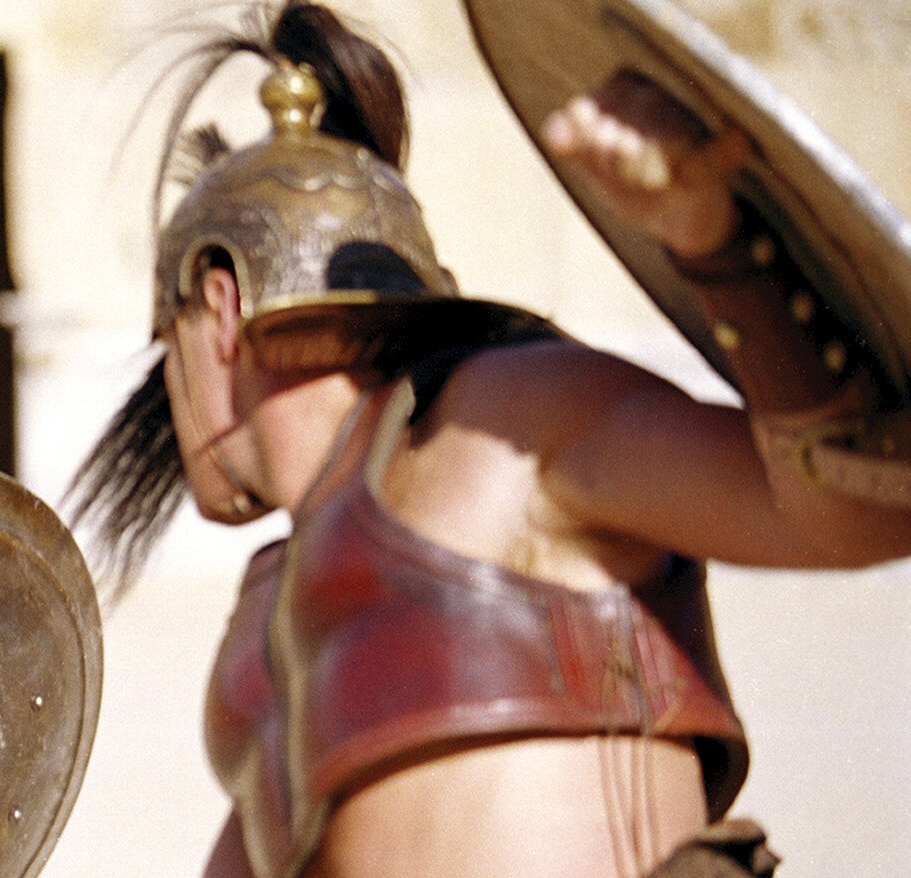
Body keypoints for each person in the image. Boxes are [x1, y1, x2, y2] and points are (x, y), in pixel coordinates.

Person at [67, 3, 911, 877]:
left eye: (169, 347)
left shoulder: (509, 418)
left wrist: (717, 247)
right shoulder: (267, 631)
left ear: (220, 308)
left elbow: (863, 510)